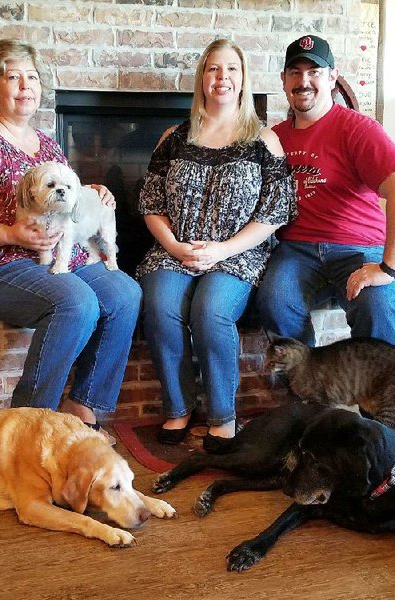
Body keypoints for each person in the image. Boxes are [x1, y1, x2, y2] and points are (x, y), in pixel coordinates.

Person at [0, 40, 141, 439]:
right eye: (13, 77)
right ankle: (26, 426)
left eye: (31, 77)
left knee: (124, 293)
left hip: (55, 255)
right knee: (76, 303)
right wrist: (11, 234)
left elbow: (62, 195)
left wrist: (93, 191)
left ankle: (81, 408)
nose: (24, 85)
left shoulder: (46, 142)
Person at [136, 39, 297, 451]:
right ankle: (179, 408)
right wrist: (174, 246)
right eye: (213, 69)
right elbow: (151, 202)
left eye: (231, 69)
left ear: (243, 80)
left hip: (237, 254)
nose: (222, 77)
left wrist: (222, 250)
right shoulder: (173, 137)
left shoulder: (264, 140)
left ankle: (223, 417)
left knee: (210, 310)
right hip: (176, 248)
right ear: (202, 79)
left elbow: (275, 212)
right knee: (158, 303)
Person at [256, 34, 395, 352]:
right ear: (283, 80)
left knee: (379, 309)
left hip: (359, 249)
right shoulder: (274, 138)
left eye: (314, 71)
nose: (303, 81)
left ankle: (389, 401)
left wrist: (389, 268)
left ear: (332, 78)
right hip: (297, 251)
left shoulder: (358, 129)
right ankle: (307, 393)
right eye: (295, 72)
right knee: (274, 300)